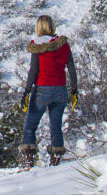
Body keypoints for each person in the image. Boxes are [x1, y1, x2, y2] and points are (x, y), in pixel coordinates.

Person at [19, 14, 78, 165]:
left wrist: (26, 91)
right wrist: (74, 90)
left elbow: (34, 70)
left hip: (42, 89)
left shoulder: (37, 46)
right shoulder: (63, 44)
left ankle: (29, 160)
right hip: (61, 90)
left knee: (30, 126)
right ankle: (56, 160)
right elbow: (71, 67)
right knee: (55, 126)